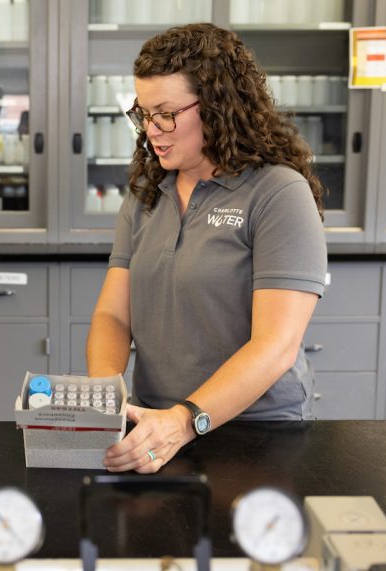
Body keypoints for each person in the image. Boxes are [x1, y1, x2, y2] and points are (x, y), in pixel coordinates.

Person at [86, 23, 327, 474]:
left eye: (166, 114)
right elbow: (113, 316)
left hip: (254, 434)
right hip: (155, 427)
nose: (152, 130)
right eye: (143, 114)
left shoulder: (277, 194)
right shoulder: (147, 193)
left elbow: (276, 346)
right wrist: (106, 398)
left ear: (218, 108)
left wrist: (183, 421)